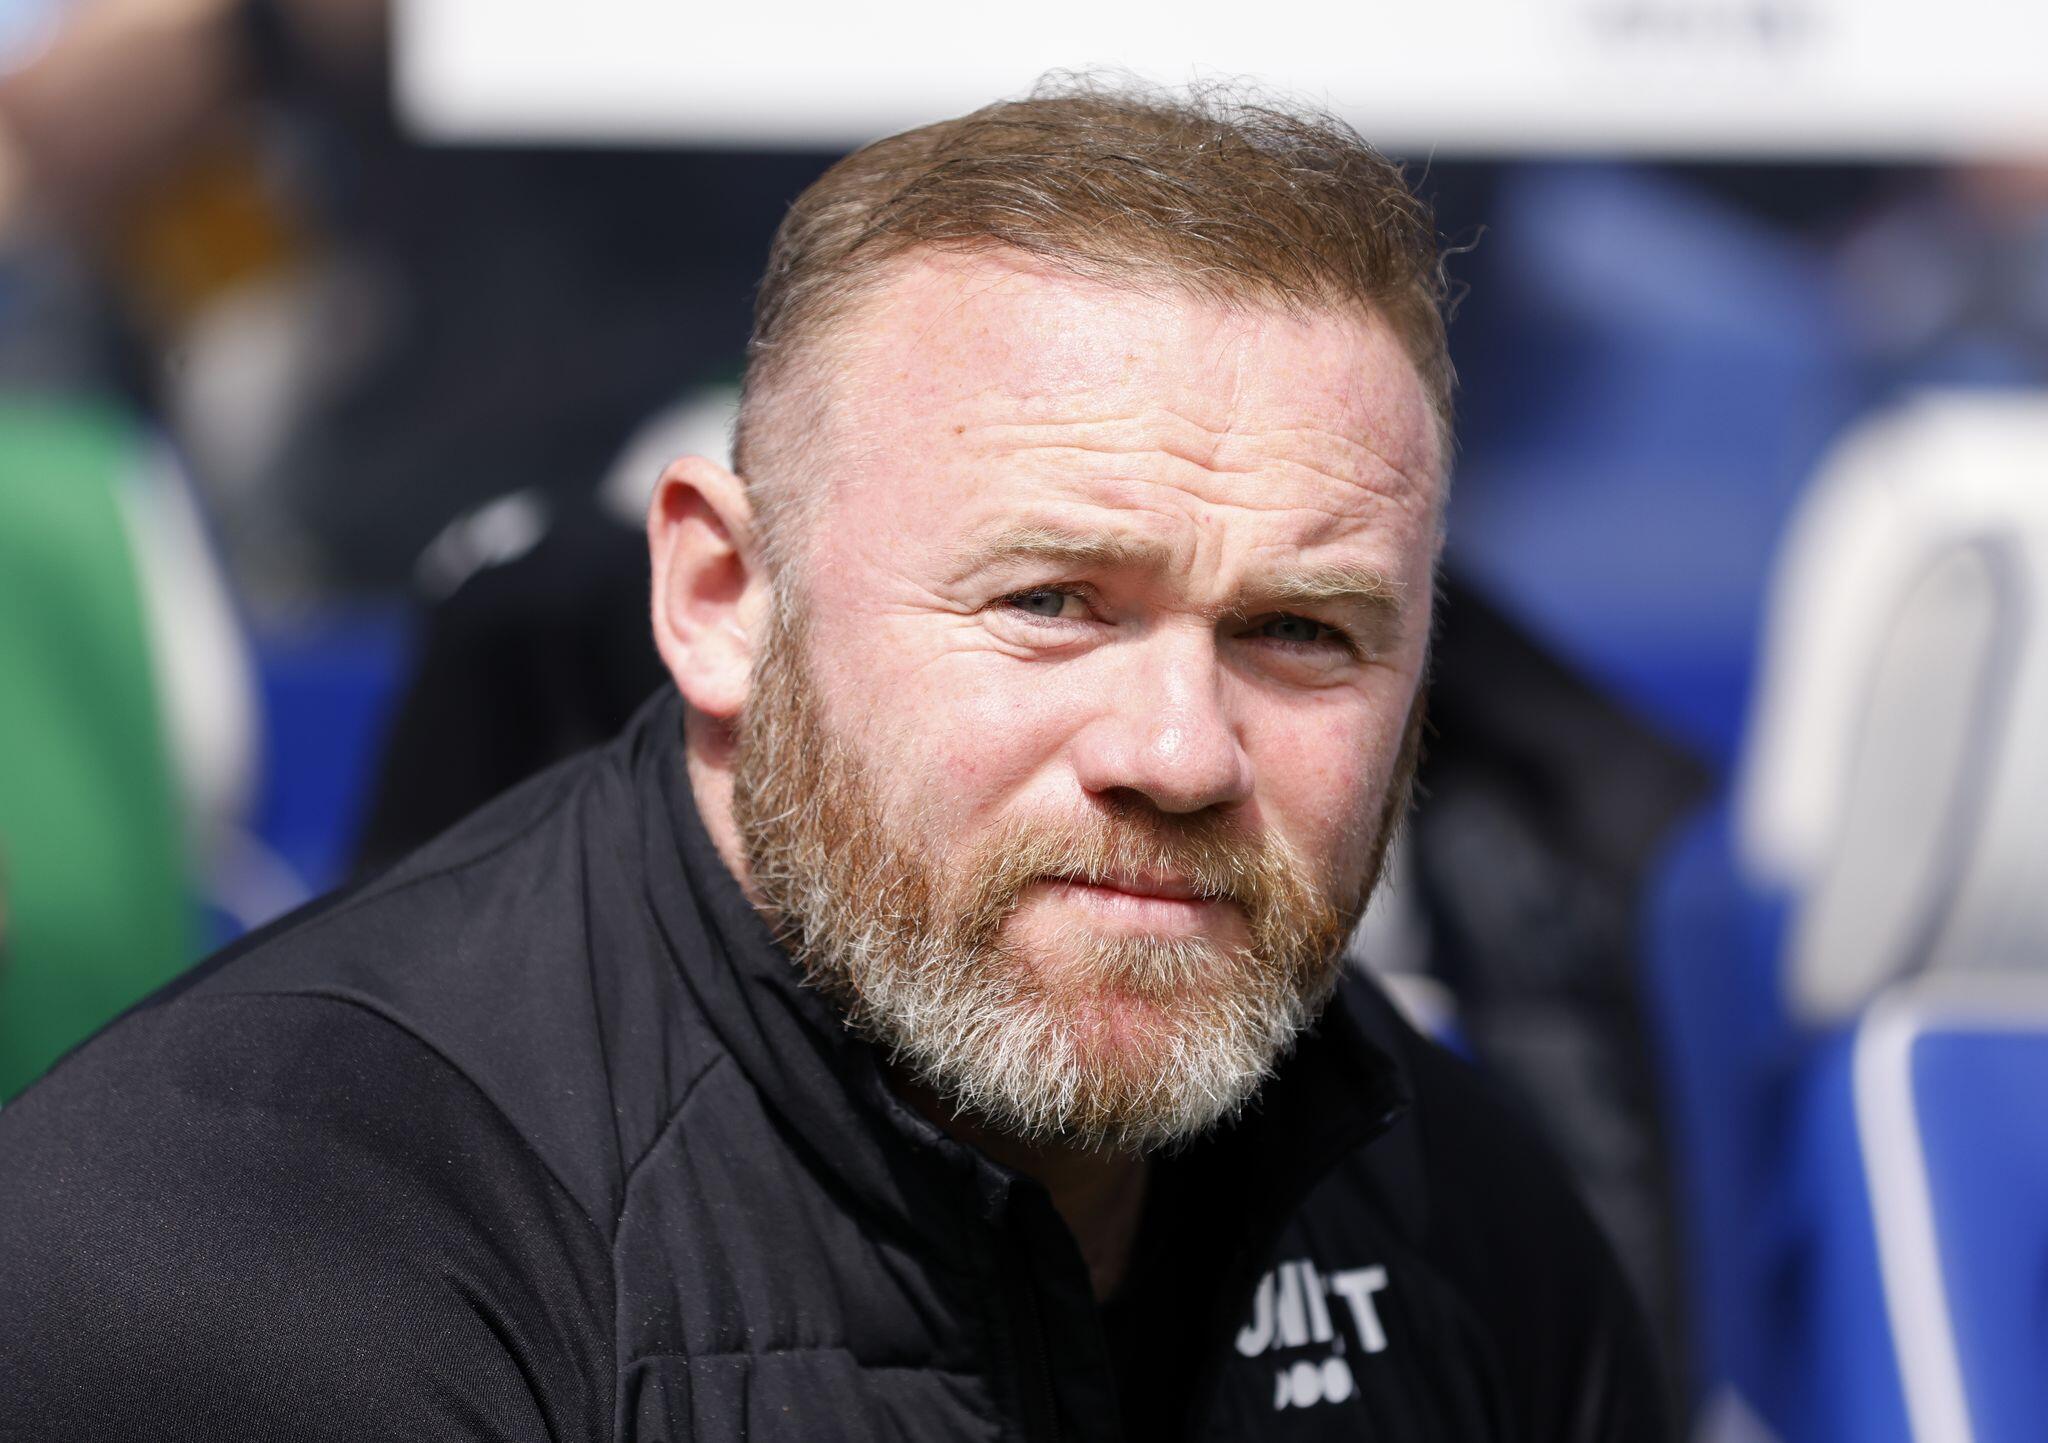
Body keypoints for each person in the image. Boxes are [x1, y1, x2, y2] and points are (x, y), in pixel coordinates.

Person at [0, 80, 1665, 1440]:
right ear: (722, 599)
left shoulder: (1454, 1213)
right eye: (1051, 603)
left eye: (1302, 631)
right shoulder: (266, 1248)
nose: (1177, 753)